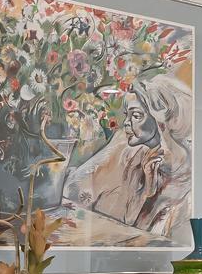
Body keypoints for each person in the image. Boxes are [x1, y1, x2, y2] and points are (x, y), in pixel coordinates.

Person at [62, 72, 192, 241]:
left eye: (136, 116)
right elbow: (74, 190)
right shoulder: (128, 150)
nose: (126, 123)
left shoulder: (188, 177)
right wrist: (145, 194)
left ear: (160, 121)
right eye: (127, 115)